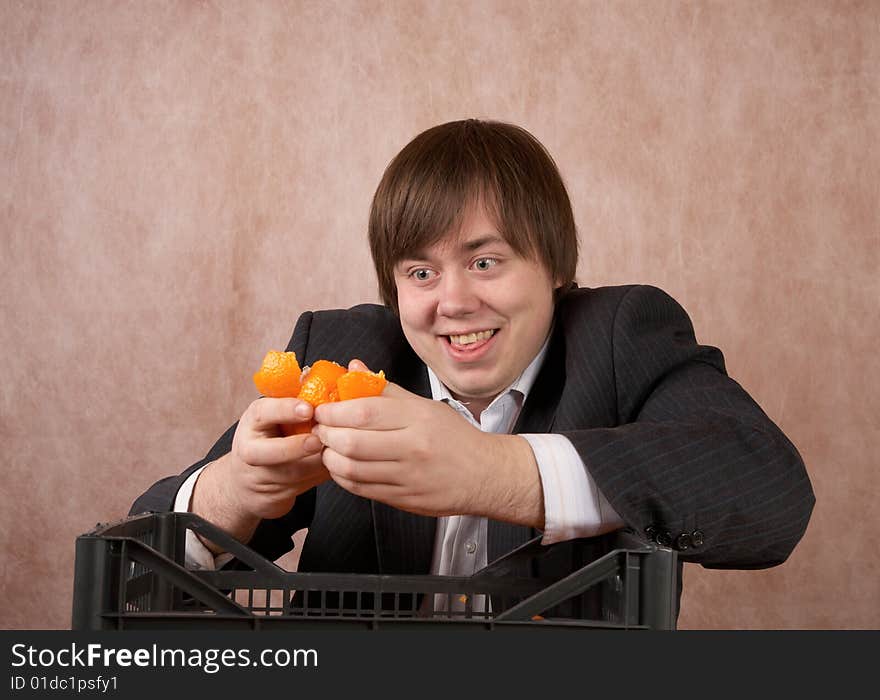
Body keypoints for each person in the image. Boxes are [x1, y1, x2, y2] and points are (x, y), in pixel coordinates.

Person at [131, 119, 815, 620]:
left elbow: (769, 489)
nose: (453, 303)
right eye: (421, 271)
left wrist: (491, 472)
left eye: (485, 262)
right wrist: (236, 491)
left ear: (555, 268)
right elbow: (134, 581)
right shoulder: (342, 352)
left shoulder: (621, 336)